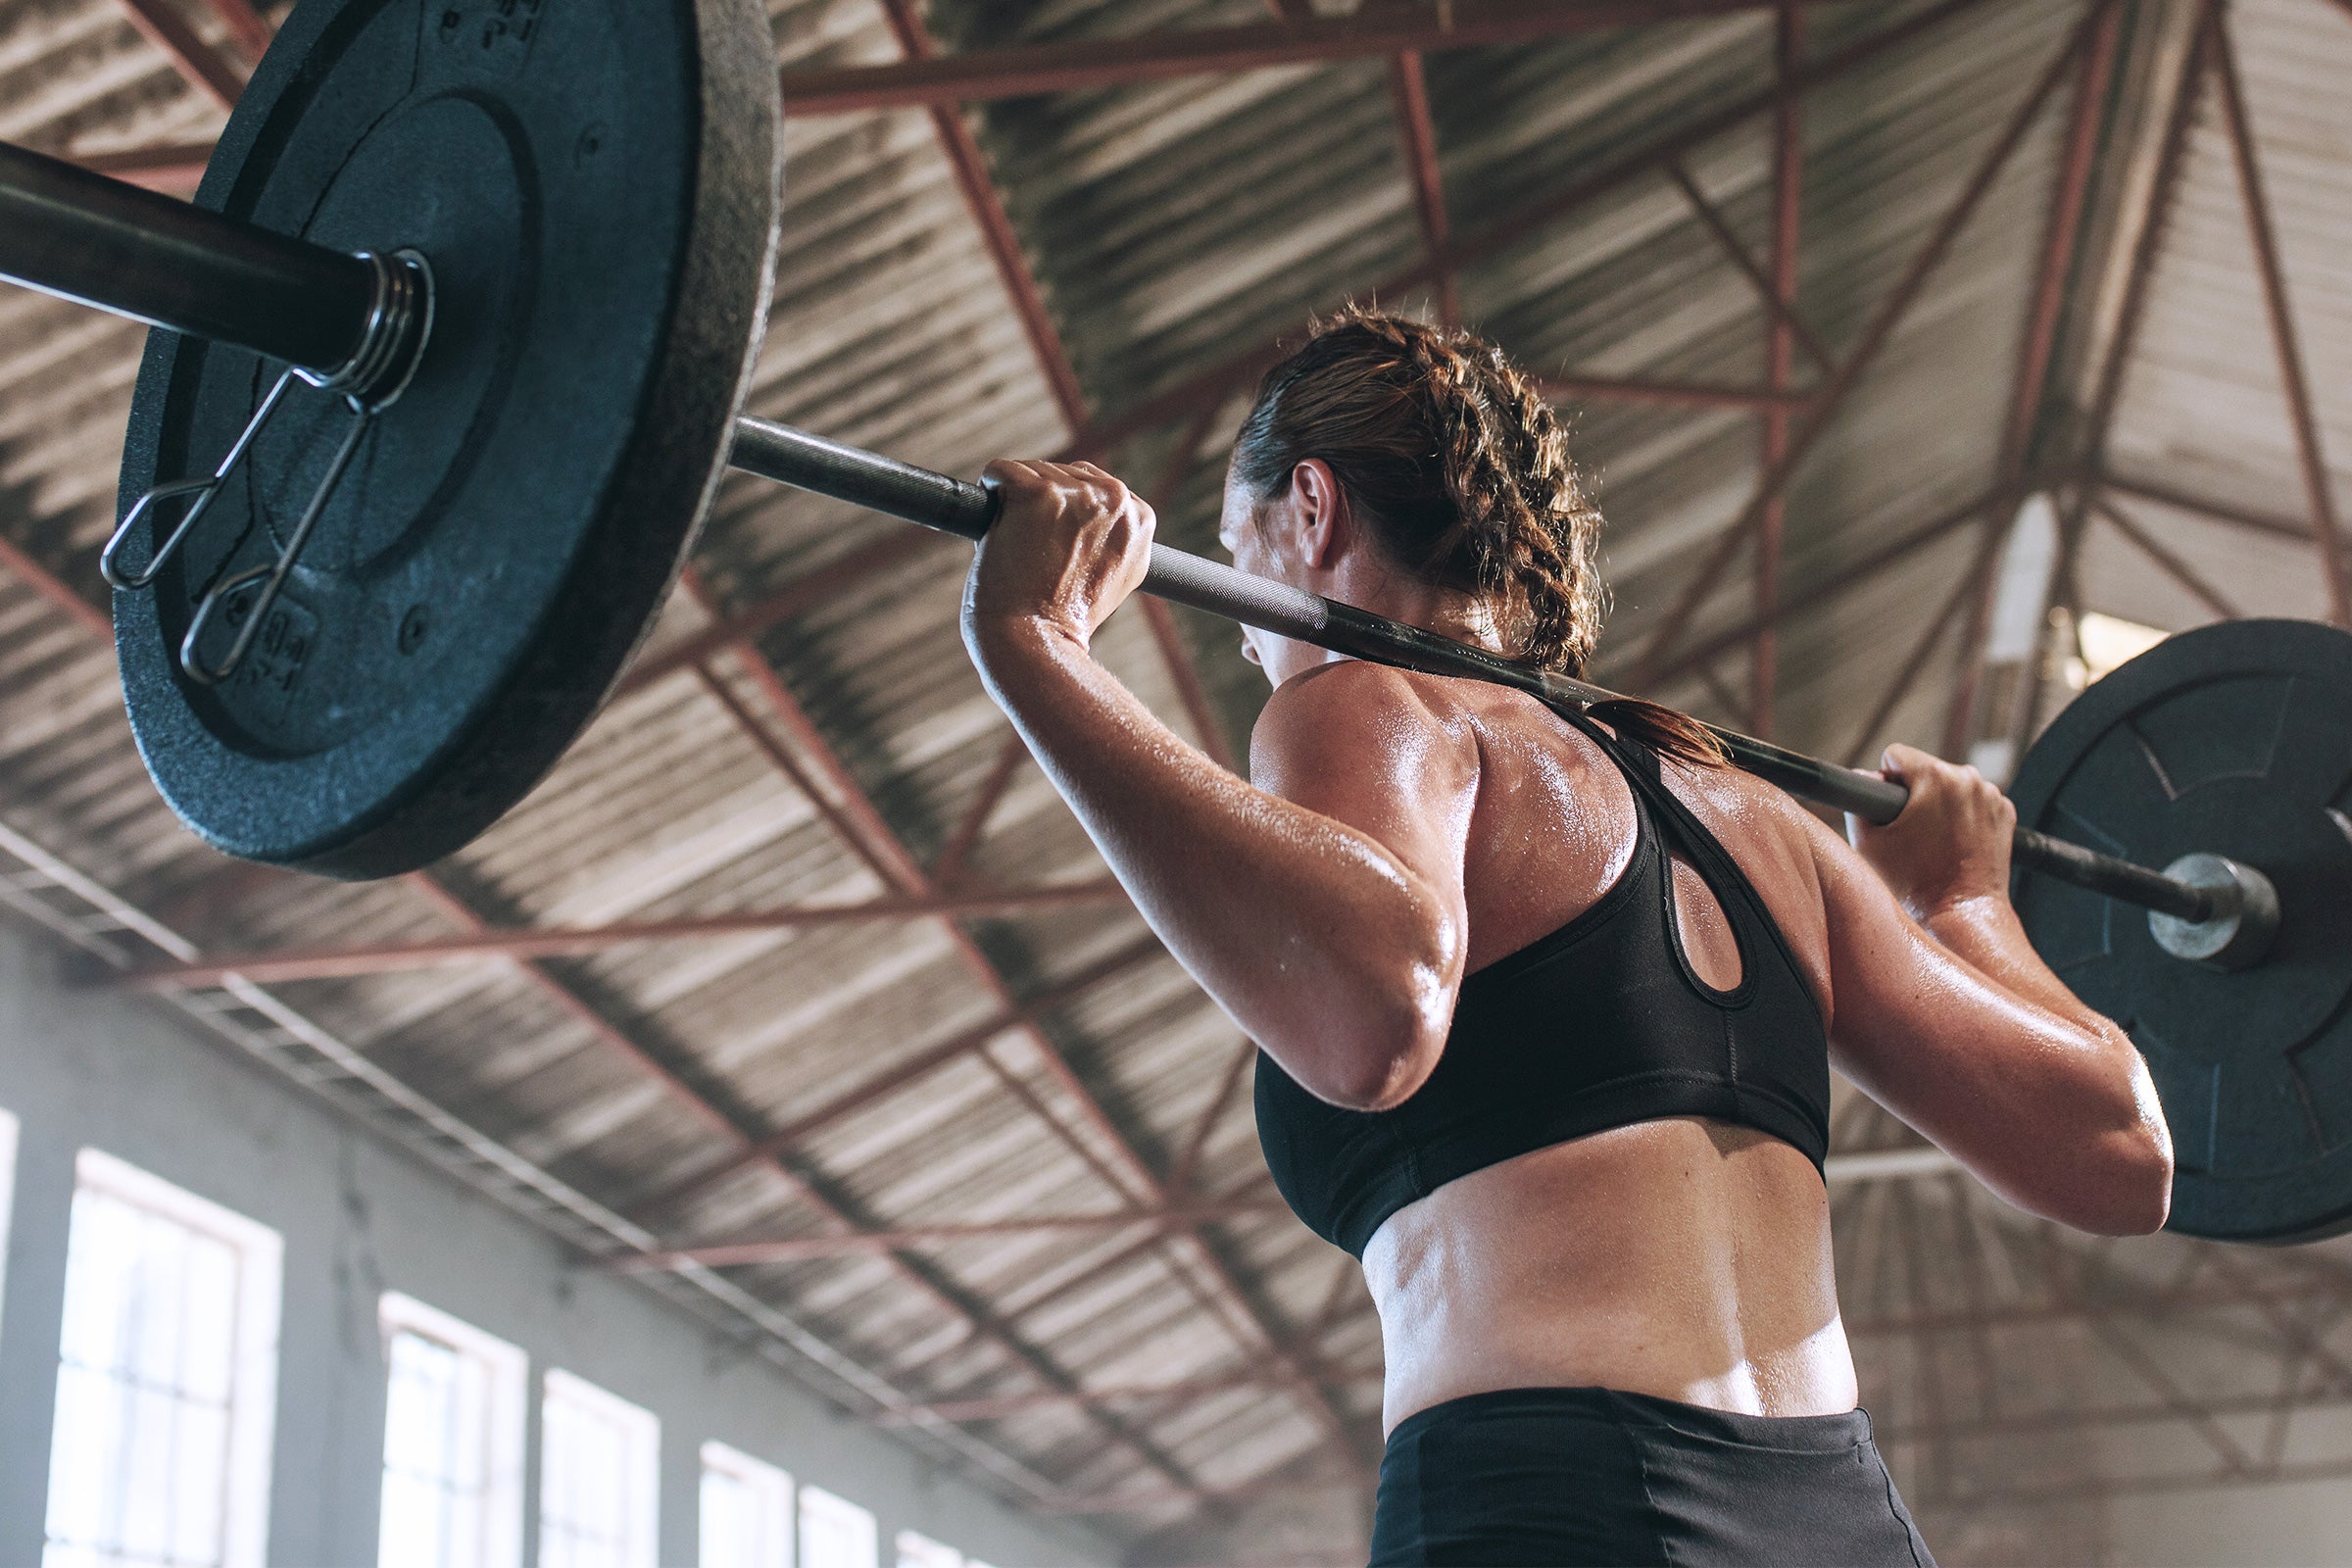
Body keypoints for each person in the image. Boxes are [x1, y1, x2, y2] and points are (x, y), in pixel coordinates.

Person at [960, 310, 2172, 1566]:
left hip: (1564, 1498)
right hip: (1842, 1519)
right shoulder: (1763, 823)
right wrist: (1965, 901)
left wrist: (1038, 650)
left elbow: (1373, 1013)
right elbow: (2121, 1148)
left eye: (1236, 550)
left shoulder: (1364, 697)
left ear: (1310, 511)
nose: (1246, 625)